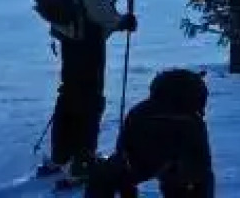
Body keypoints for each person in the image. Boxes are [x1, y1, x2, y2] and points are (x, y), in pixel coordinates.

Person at [33, 0, 136, 184]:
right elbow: (98, 9)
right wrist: (121, 22)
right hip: (85, 38)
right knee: (89, 99)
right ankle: (82, 160)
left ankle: (60, 156)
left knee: (69, 93)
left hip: (66, 33)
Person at [82, 68, 215, 198]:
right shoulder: (192, 122)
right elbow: (202, 169)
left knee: (106, 175)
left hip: (139, 159)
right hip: (178, 163)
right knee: (189, 180)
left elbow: (123, 153)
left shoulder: (139, 112)